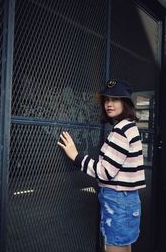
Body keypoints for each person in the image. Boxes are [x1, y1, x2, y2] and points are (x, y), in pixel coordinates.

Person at [57, 79, 145, 252]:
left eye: (115, 99)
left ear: (125, 102)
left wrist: (76, 156)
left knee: (115, 247)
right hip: (127, 199)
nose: (108, 104)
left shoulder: (121, 131)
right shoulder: (130, 127)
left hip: (118, 200)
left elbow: (106, 172)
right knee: (124, 246)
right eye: (106, 99)